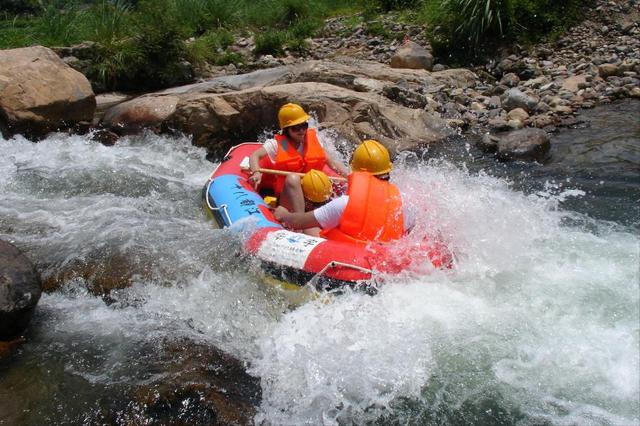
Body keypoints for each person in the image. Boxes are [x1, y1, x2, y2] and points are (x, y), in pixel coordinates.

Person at [274, 139, 414, 241]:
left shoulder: (345, 204)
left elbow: (299, 222)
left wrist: (284, 214)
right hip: (381, 260)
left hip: (346, 258)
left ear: (358, 172)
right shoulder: (404, 200)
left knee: (311, 227)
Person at [248, 103, 349, 214]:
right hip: (288, 195)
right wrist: (256, 172)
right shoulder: (278, 145)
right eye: (296, 128)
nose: (301, 131)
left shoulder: (312, 141)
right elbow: (254, 156)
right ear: (286, 129)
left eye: (304, 126)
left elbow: (332, 163)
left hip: (313, 193)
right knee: (294, 180)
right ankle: (299, 219)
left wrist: (349, 176)